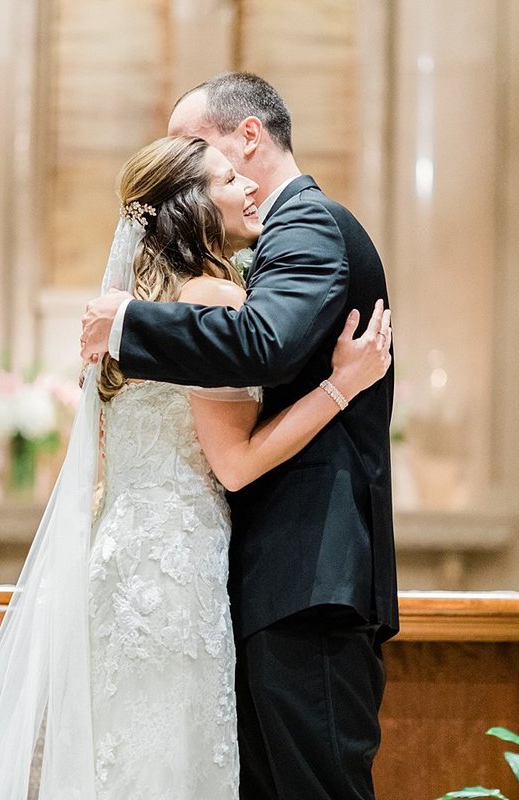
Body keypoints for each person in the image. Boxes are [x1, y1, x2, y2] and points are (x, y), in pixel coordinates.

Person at [0, 134, 390, 800]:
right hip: (177, 569)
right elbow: (235, 465)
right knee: (171, 761)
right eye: (230, 180)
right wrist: (342, 388)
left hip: (119, 556)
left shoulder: (129, 322)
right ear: (198, 205)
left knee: (123, 759)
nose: (248, 188)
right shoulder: (215, 301)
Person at [80, 73, 397, 800]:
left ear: (247, 137)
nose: (192, 168)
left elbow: (263, 341)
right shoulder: (229, 271)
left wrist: (129, 322)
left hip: (307, 574)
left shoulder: (308, 223)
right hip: (246, 578)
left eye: (201, 149)